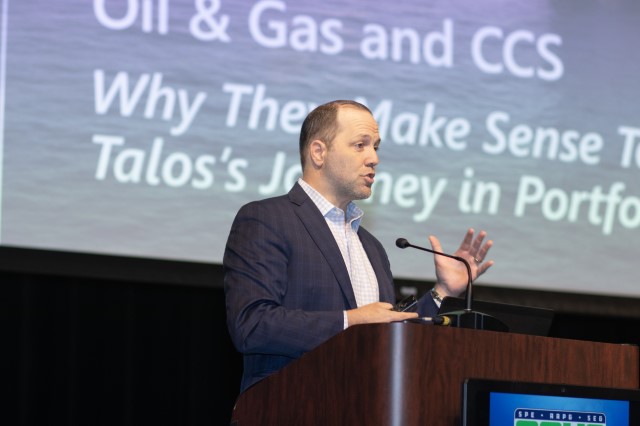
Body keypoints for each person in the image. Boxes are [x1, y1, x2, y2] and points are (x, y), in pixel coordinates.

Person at [223, 100, 494, 393]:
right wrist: (351, 321)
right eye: (360, 145)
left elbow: (392, 336)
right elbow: (251, 326)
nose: (374, 158)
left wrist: (443, 291)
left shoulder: (372, 247)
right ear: (319, 152)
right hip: (289, 403)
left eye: (375, 147)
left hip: (365, 405)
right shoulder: (267, 219)